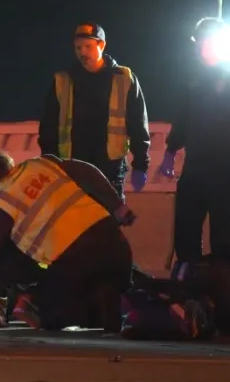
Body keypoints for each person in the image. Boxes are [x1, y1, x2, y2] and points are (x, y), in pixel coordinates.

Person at [0, 145, 136, 331]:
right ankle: (114, 300)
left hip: (79, 265)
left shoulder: (2, 201)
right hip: (117, 250)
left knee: (52, 316)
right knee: (101, 288)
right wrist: (118, 206)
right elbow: (89, 173)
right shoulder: (40, 165)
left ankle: (38, 302)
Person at [38, 23, 151, 199]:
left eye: (88, 46)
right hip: (73, 168)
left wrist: (140, 165)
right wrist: (49, 161)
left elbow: (138, 123)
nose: (82, 52)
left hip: (110, 168)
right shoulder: (63, 81)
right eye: (78, 48)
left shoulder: (124, 78)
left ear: (102, 46)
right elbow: (49, 126)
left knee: (107, 221)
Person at [160, 17, 230, 277]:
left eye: (208, 44)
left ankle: (220, 297)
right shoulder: (194, 81)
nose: (203, 50)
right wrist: (169, 153)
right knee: (186, 233)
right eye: (199, 44)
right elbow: (183, 119)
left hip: (226, 172)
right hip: (195, 170)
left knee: (224, 238)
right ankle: (188, 294)